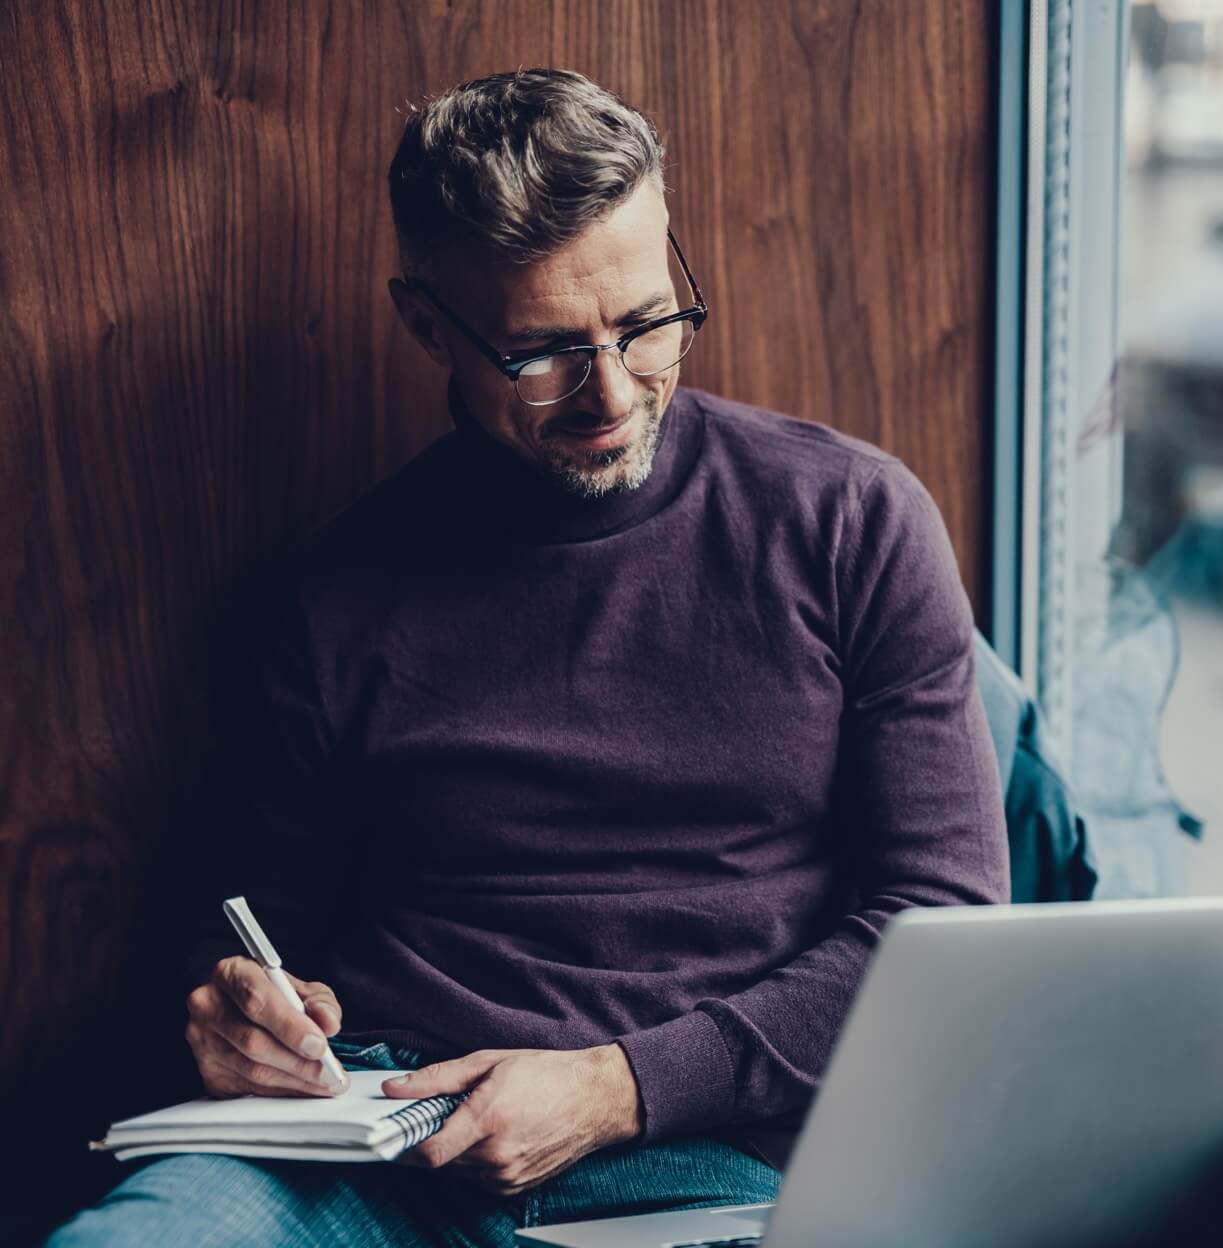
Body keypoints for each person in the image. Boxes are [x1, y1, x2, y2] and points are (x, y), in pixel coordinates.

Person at [49, 68, 1008, 1246]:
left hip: (713, 1163)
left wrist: (621, 1086)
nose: (612, 394)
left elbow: (944, 929)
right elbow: (249, 926)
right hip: (385, 1151)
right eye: (542, 349)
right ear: (427, 325)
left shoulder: (852, 520)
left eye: (648, 322)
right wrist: (234, 1009)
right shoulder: (330, 598)